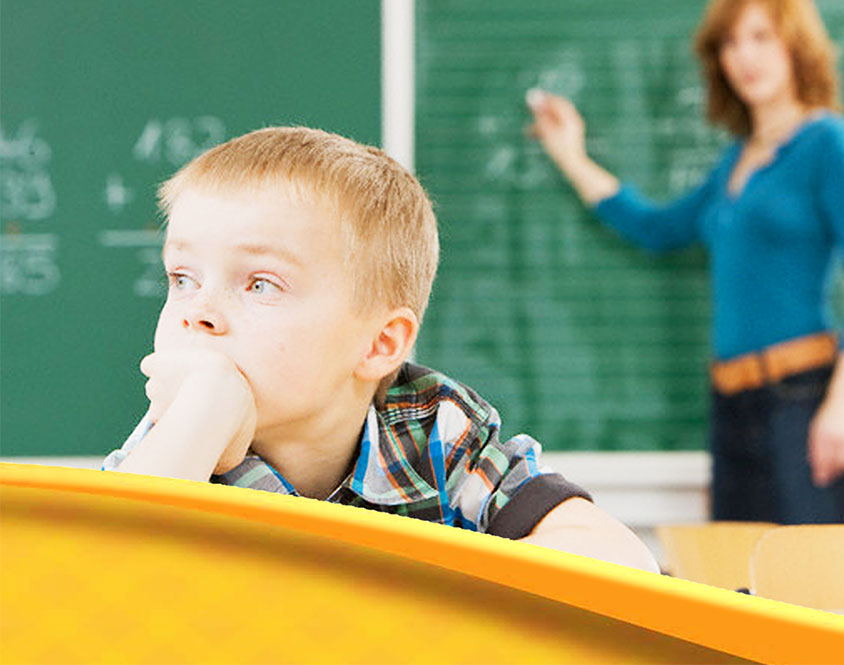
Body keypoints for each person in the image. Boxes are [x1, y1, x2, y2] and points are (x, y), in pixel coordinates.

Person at [102, 126, 658, 572]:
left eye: (260, 284)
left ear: (378, 343)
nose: (196, 310)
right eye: (182, 277)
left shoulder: (434, 427)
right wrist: (206, 411)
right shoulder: (179, 442)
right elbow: (97, 576)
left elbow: (620, 559)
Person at [527, 0, 844, 524]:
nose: (743, 55)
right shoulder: (735, 162)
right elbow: (656, 228)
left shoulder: (831, 143)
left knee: (811, 592)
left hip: (803, 401)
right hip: (732, 406)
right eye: (729, 42)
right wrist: (571, 155)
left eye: (761, 37)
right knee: (735, 592)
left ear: (796, 44)